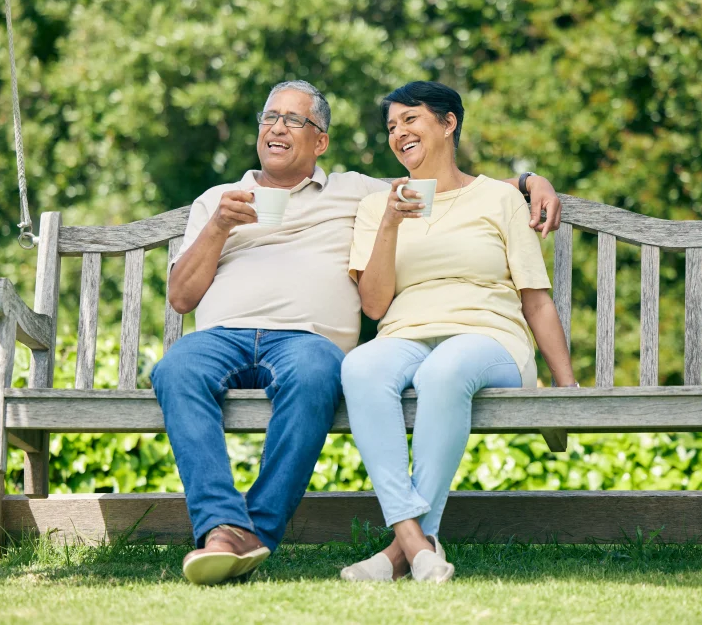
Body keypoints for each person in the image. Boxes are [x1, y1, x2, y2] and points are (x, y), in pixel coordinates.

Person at [150, 80, 563, 586]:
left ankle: (260, 532)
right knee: (175, 370)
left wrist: (528, 181)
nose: (277, 127)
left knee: (320, 373)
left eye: (293, 120)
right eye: (269, 117)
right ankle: (224, 530)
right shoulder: (217, 200)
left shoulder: (355, 191)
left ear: (320, 141)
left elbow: (445, 179)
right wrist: (218, 227)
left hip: (308, 340)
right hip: (222, 336)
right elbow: (182, 298)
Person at [340, 81, 577, 584]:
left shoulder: (499, 198)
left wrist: (566, 385)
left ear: (449, 124)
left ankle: (401, 552)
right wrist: (388, 224)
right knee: (359, 365)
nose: (399, 132)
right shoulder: (375, 207)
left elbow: (535, 298)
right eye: (391, 126)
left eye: (411, 119)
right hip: (403, 334)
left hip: (488, 337)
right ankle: (415, 546)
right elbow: (376, 305)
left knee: (442, 371)